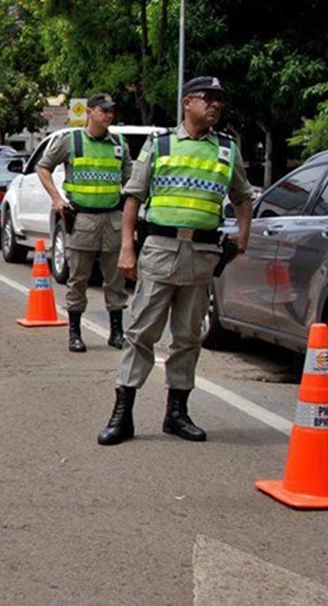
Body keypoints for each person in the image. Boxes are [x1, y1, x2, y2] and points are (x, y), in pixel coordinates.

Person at [97, 77, 254, 446]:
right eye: (208, 99)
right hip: (161, 249)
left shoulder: (227, 149)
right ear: (187, 103)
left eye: (219, 100)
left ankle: (177, 413)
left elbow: (243, 196)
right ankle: (123, 415)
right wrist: (126, 248)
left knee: (188, 337)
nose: (215, 105)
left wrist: (243, 233)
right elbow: (133, 198)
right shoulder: (161, 143)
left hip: (201, 256)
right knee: (140, 333)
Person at [37, 93, 132, 353]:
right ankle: (75, 333)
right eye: (103, 111)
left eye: (111, 111)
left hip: (113, 218)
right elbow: (42, 167)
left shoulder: (120, 144)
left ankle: (116, 332)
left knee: (115, 280)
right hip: (83, 219)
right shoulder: (71, 140)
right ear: (89, 112)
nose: (109, 116)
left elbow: (130, 181)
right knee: (78, 277)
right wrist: (56, 198)